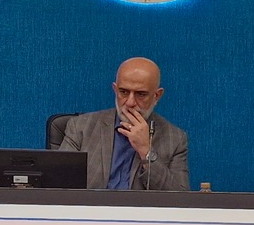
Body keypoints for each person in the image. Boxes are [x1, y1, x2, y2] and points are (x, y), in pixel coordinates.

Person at [56, 57, 190, 191]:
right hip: (91, 204)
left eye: (141, 94)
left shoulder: (175, 139)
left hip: (139, 205)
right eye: (124, 92)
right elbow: (59, 185)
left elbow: (180, 197)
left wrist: (146, 151)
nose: (130, 102)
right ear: (115, 89)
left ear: (157, 96)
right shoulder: (81, 127)